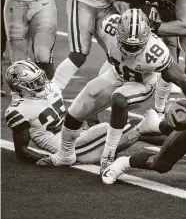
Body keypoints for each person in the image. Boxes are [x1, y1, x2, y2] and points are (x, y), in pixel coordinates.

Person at [37, 9, 186, 173]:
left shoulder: (155, 52)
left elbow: (181, 78)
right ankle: (65, 155)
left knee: (119, 98)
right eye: (127, 44)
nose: (131, 49)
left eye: (136, 45)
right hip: (116, 73)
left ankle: (107, 156)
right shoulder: (109, 26)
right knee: (78, 107)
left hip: (142, 83)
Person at [52, 0, 166, 92]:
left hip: (106, 4)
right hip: (83, 1)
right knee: (78, 55)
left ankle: (96, 90)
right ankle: (52, 92)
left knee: (121, 51)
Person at [4, 60, 137, 164]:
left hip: (76, 136)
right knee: (132, 129)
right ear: (21, 89)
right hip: (66, 147)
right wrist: (51, 159)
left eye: (40, 78)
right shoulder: (18, 110)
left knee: (117, 130)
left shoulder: (50, 88)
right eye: (34, 83)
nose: (41, 83)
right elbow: (21, 151)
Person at [1, 0, 80, 79]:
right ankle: (21, 97)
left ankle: (49, 95)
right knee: (19, 60)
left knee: (43, 55)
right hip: (15, 1)